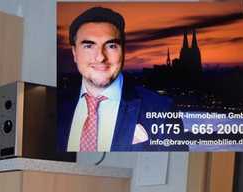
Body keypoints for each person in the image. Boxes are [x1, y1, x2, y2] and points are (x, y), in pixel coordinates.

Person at [57, 6, 174, 152]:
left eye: (111, 46)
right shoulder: (56, 105)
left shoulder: (161, 108)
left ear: (123, 51)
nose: (100, 57)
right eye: (89, 46)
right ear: (74, 53)